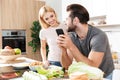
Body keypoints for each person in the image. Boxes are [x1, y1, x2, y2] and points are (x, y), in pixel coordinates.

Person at [57, 4, 114, 80]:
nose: (65, 22)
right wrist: (63, 50)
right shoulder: (72, 36)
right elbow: (66, 66)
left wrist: (71, 46)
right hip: (86, 74)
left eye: (67, 19)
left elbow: (93, 66)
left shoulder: (98, 36)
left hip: (104, 75)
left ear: (75, 20)